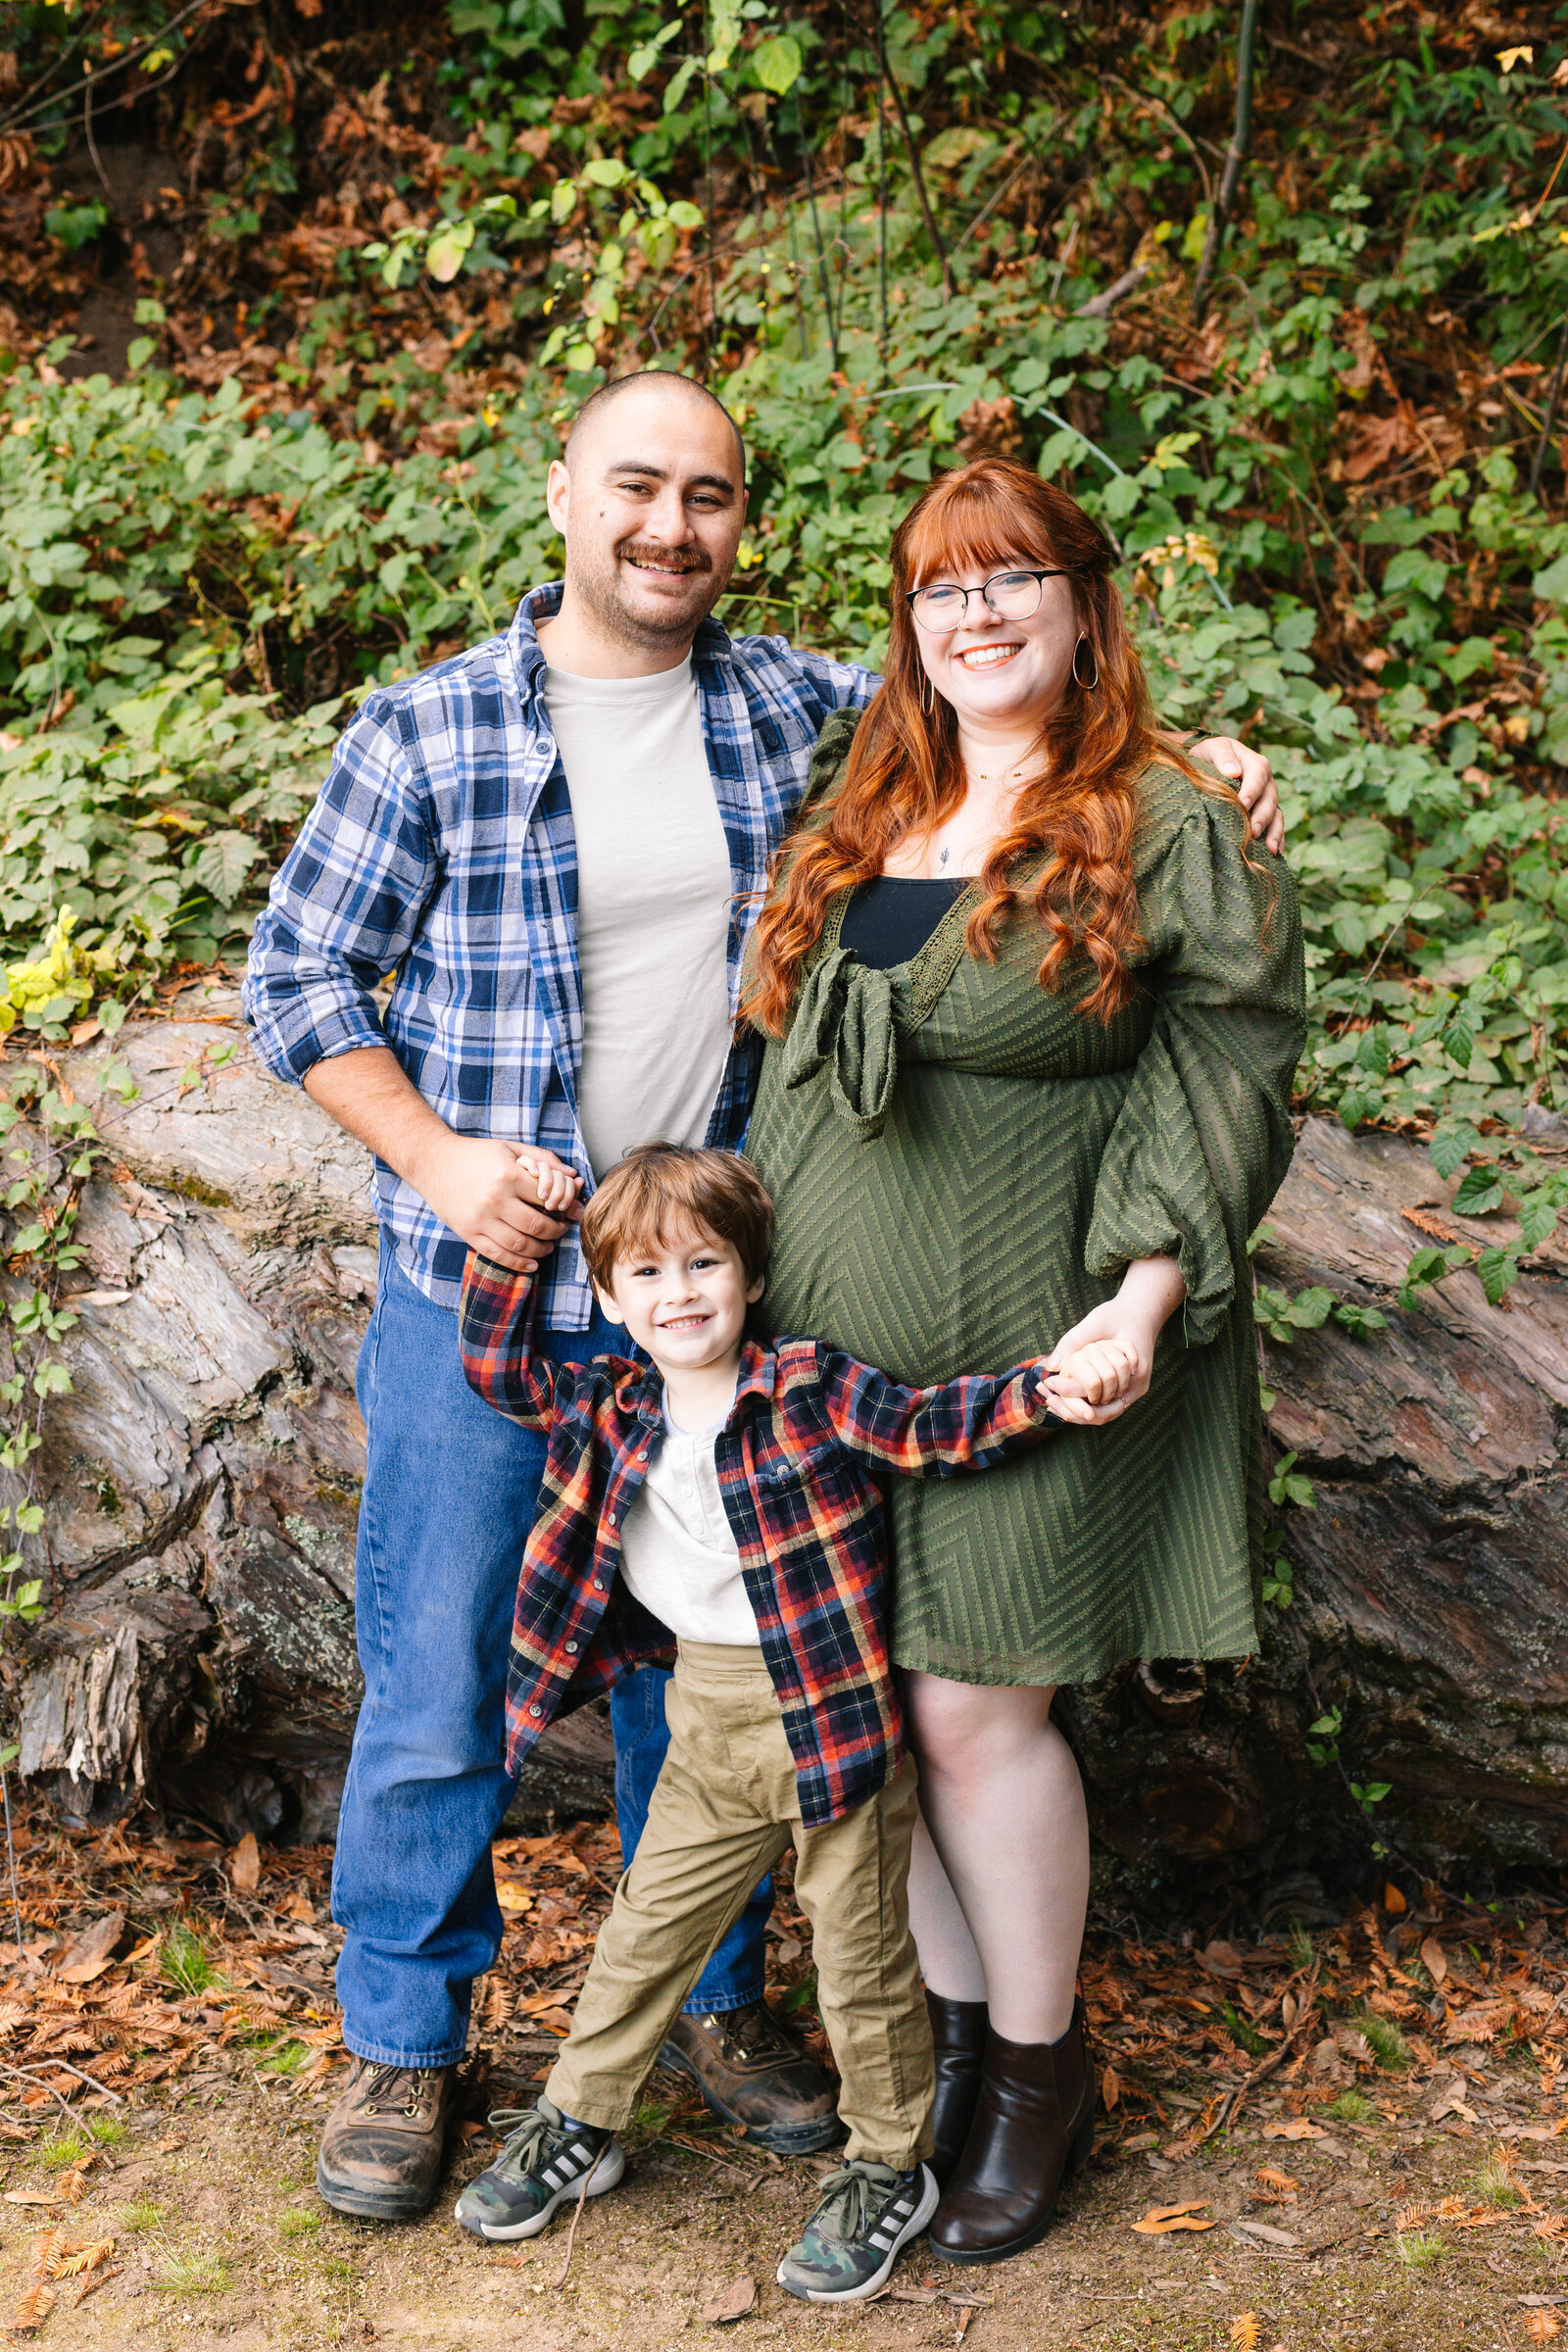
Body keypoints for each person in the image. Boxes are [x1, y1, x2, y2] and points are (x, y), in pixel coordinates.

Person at [242, 366, 1285, 2220]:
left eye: (708, 496)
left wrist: (1206, 766)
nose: (669, 526)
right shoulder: (431, 729)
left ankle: (726, 2011)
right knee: (437, 1678)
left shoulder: (795, 716)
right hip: (497, 1301)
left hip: (732, 1309)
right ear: (561, 490)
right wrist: (438, 1161)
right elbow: (301, 982)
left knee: (717, 1678)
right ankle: (407, 2044)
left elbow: (1025, 713)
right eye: (635, 486)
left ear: (741, 525)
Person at [739, 456, 1306, 2267]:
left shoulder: (1161, 817)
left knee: (987, 1705)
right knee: (897, 1712)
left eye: (1009, 582)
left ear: (1080, 606)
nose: (971, 615)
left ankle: (1045, 2072)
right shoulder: (876, 803)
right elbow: (805, 1078)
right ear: (909, 626)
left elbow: (1222, 1073)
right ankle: (964, 2055)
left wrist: (1142, 1303)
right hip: (837, 1351)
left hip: (1035, 1329)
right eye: (937, 589)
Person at [447, 1142, 1128, 2300]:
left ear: (750, 1276)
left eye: (706, 1263)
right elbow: (496, 1370)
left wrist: (1043, 1395)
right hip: (704, 1717)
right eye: (647, 1277)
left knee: (860, 1961)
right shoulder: (608, 1407)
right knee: (645, 1930)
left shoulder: (809, 1389)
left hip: (828, 1721)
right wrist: (523, 1243)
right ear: (609, 1300)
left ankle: (887, 2168)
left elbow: (927, 1427)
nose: (682, 1295)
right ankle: (580, 2120)